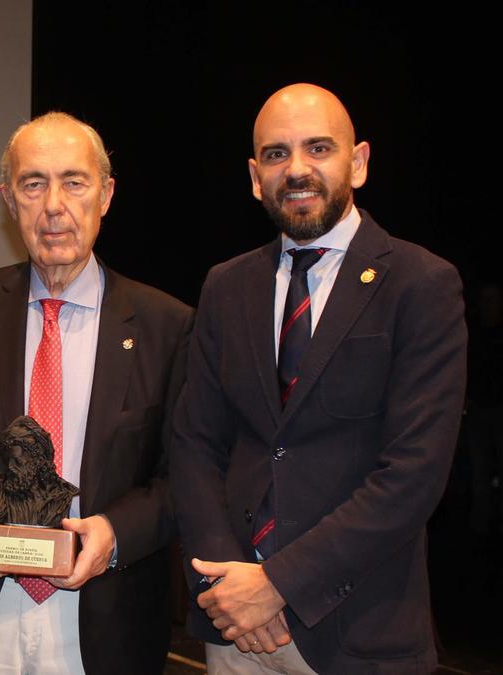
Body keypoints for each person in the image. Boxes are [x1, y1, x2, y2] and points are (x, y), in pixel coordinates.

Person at [170, 83, 467, 673]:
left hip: (358, 632)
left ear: (356, 163)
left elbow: (413, 474)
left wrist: (278, 584)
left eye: (318, 149)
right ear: (256, 177)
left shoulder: (420, 284)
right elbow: (194, 445)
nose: (297, 169)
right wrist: (230, 591)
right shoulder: (226, 287)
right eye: (277, 155)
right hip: (236, 630)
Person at [0, 112, 194, 673]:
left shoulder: (167, 324)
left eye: (74, 181)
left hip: (103, 621)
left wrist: (113, 532)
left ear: (106, 195)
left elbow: (180, 474)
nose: (53, 204)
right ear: (9, 201)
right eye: (33, 184)